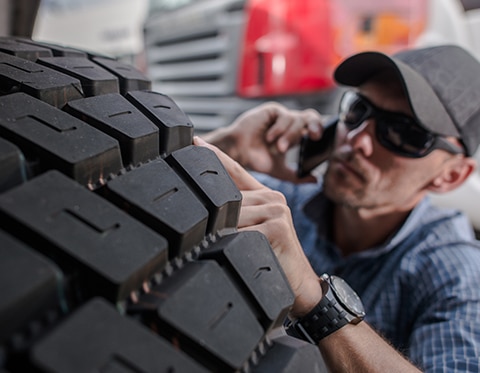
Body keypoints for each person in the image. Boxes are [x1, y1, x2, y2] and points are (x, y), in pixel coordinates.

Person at [195, 44, 480, 372]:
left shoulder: (458, 272)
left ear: (451, 175)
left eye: (402, 134)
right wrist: (229, 146)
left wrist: (315, 299)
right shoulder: (286, 202)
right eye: (359, 110)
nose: (357, 139)